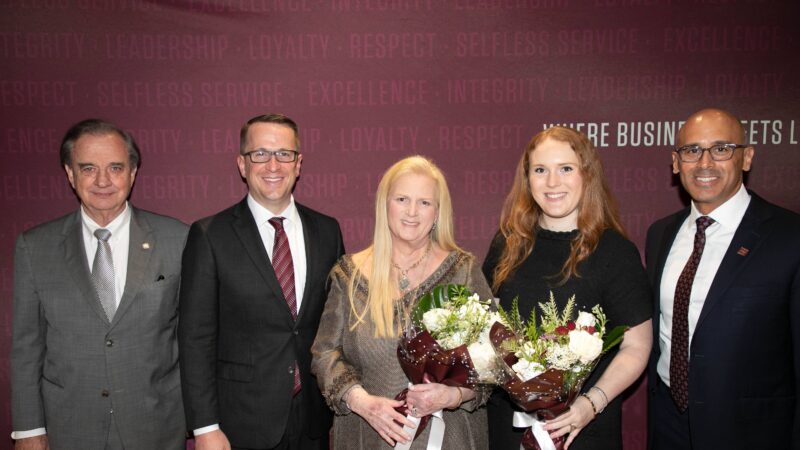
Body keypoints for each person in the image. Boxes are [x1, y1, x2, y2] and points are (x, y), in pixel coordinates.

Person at [10, 119, 188, 450]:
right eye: (88, 168)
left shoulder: (178, 239)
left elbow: (194, 339)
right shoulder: (35, 247)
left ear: (133, 173)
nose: (103, 180)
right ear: (69, 173)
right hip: (69, 429)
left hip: (156, 428)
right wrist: (27, 430)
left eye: (115, 168)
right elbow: (26, 348)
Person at [179, 113, 344, 450]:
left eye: (284, 154)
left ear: (299, 164)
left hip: (313, 419)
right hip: (241, 422)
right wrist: (204, 427)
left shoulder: (327, 231)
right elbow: (195, 339)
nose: (273, 165)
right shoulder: (210, 235)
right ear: (242, 164)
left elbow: (337, 325)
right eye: (260, 154)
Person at [483, 126, 652, 450]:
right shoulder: (506, 244)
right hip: (507, 429)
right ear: (527, 178)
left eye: (566, 169)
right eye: (540, 170)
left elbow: (636, 346)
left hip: (582, 430)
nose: (552, 182)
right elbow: (486, 329)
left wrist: (589, 404)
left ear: (587, 175)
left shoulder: (614, 252)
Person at [311, 155, 493, 449]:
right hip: (367, 436)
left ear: (437, 212)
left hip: (448, 438)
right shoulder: (349, 274)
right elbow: (324, 354)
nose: (412, 212)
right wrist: (362, 402)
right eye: (402, 199)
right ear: (385, 205)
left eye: (424, 202)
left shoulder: (463, 271)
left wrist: (453, 396)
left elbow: (495, 356)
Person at [646, 108, 800, 450]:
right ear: (675, 162)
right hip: (668, 425)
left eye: (721, 149)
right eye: (691, 151)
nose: (705, 163)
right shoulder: (660, 234)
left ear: (746, 157)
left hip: (752, 433)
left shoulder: (790, 238)